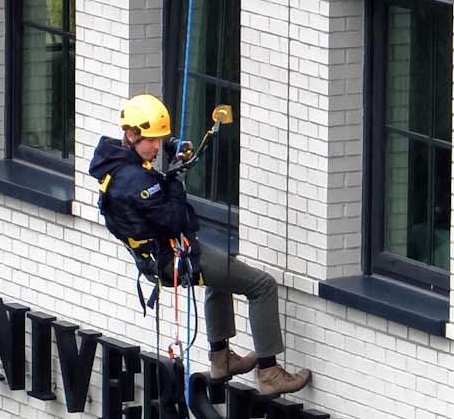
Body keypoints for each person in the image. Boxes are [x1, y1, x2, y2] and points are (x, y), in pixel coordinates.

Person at [88, 93, 312, 397]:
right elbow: (177, 218)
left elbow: (152, 173)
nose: (156, 147)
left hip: (160, 255)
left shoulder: (116, 158)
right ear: (131, 134)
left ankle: (221, 359)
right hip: (173, 258)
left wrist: (172, 147)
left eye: (159, 140)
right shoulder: (135, 182)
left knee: (220, 279)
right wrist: (176, 181)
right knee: (262, 285)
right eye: (151, 141)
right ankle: (270, 373)